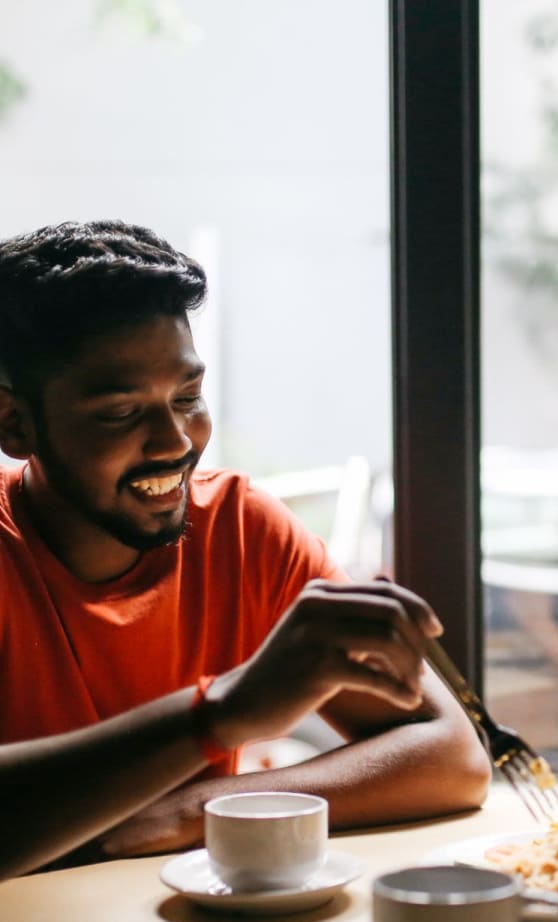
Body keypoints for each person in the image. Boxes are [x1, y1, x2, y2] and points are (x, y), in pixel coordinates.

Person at [0, 219, 492, 880]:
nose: (173, 441)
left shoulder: (240, 530)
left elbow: (453, 759)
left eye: (188, 398)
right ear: (14, 423)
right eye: (121, 413)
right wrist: (222, 713)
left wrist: (187, 812)